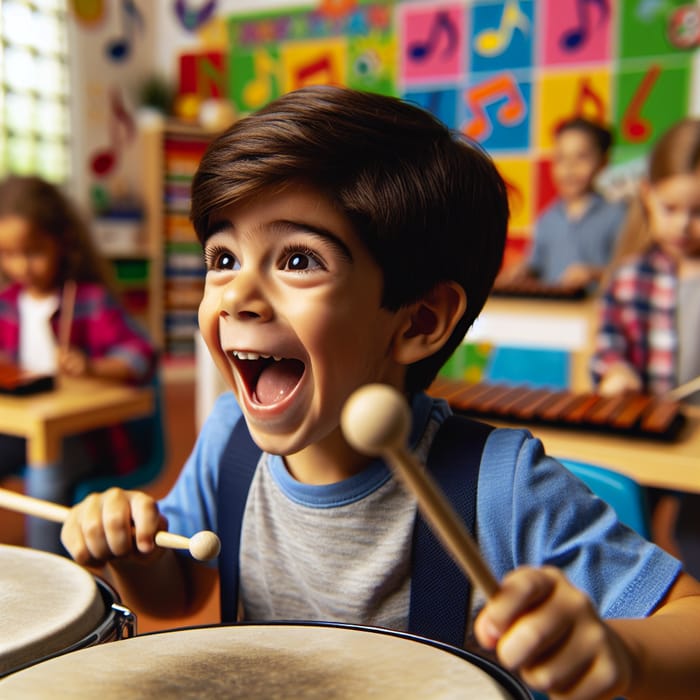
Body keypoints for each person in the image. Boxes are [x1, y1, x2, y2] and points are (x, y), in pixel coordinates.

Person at [61, 87, 700, 700]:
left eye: (298, 260)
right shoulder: (228, 439)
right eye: (223, 258)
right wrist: (134, 556)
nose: (236, 296)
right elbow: (172, 597)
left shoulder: (500, 488)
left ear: (419, 321)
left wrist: (621, 652)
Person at [0, 174, 156, 553]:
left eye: (33, 252)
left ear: (63, 243)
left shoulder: (89, 301)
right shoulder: (7, 303)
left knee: (45, 476)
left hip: (82, 437)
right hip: (25, 431)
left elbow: (141, 355)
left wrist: (91, 368)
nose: (22, 266)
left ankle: (45, 576)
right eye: (8, 254)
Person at [590, 118, 700, 582]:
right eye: (671, 207)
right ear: (648, 197)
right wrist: (616, 372)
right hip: (651, 426)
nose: (683, 224)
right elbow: (608, 348)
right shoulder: (632, 275)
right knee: (628, 535)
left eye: (698, 211)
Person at [500, 116, 626, 289]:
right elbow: (536, 266)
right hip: (557, 312)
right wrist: (522, 271)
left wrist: (594, 273)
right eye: (561, 158)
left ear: (603, 162)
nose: (569, 168)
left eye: (581, 157)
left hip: (597, 310)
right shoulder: (546, 219)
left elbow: (631, 271)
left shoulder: (618, 215)